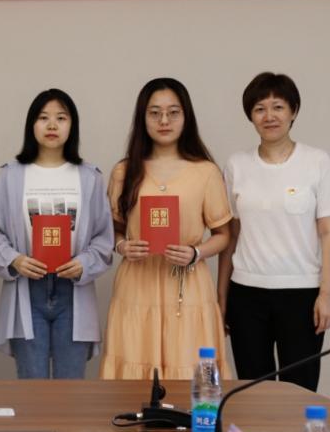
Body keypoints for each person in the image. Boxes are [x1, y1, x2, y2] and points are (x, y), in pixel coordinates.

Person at [218, 72, 330, 391]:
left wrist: (326, 294)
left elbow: (329, 233)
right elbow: (230, 237)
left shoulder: (317, 162)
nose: (269, 116)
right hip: (246, 294)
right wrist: (221, 298)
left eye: (278, 107)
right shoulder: (236, 165)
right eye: (260, 108)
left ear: (293, 111)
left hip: (301, 294)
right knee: (252, 391)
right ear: (250, 116)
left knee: (298, 391)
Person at [99, 77, 232, 380]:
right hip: (137, 283)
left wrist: (196, 252)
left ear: (186, 117)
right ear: (142, 117)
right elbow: (112, 230)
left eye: (173, 112)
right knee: (135, 370)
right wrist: (122, 246)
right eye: (154, 113)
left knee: (188, 370)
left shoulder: (206, 171)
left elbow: (224, 236)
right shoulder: (124, 171)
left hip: (188, 284)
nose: (164, 121)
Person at [0, 89, 114, 378]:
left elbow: (103, 237)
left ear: (72, 125)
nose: (52, 125)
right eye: (43, 118)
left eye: (61, 118)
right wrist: (15, 259)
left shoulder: (89, 177)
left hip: (73, 291)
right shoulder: (11, 175)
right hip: (27, 288)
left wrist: (84, 262)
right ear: (31, 125)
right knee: (32, 386)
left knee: (71, 388)